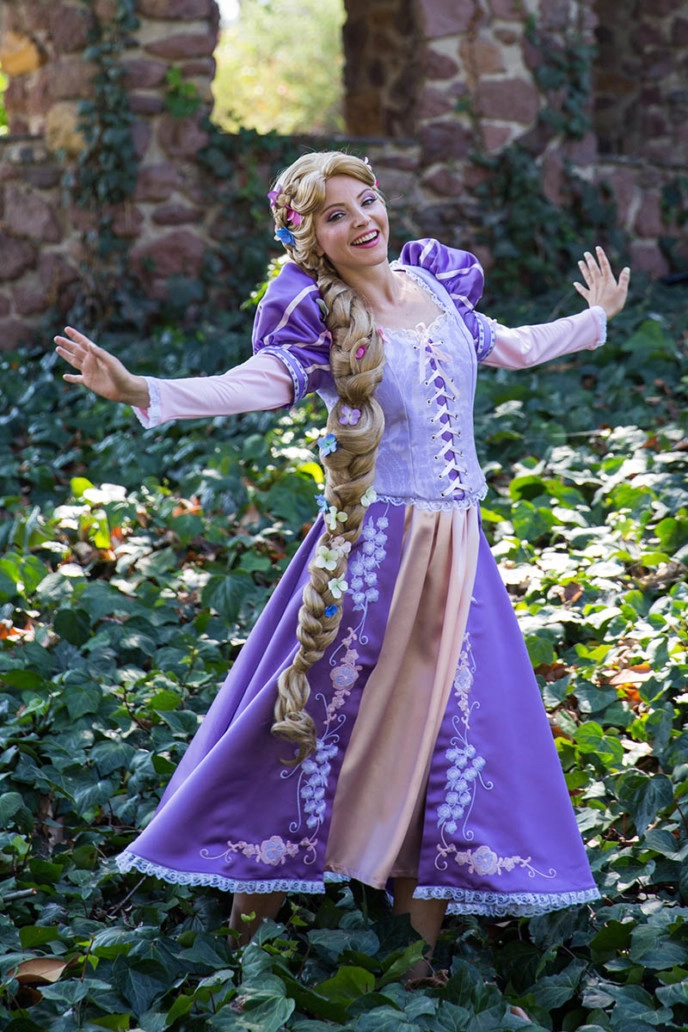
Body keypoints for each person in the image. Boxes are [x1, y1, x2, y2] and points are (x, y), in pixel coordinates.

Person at [55, 151, 630, 974]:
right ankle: (248, 941)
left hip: (459, 557)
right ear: (310, 239)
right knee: (308, 723)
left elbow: (513, 346)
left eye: (367, 200)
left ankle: (415, 961)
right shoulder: (320, 320)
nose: (362, 220)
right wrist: (145, 389)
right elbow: (253, 384)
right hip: (370, 557)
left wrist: (595, 319)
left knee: (445, 733)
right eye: (335, 214)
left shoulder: (436, 289)